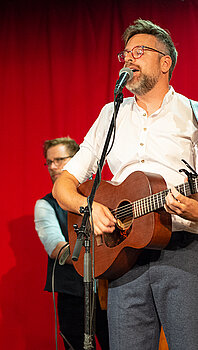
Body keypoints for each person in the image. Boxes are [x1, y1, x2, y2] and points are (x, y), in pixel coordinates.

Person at [52, 19, 198, 350]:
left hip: (182, 252)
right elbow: (64, 185)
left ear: (165, 62)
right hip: (122, 258)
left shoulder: (193, 115)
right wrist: (88, 209)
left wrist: (195, 210)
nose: (129, 59)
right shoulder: (110, 114)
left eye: (139, 51)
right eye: (125, 53)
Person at [34, 137, 109, 350]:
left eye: (59, 160)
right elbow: (55, 248)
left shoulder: (104, 196)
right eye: (49, 162)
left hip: (109, 288)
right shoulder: (45, 205)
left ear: (77, 159)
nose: (52, 167)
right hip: (73, 293)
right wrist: (94, 253)